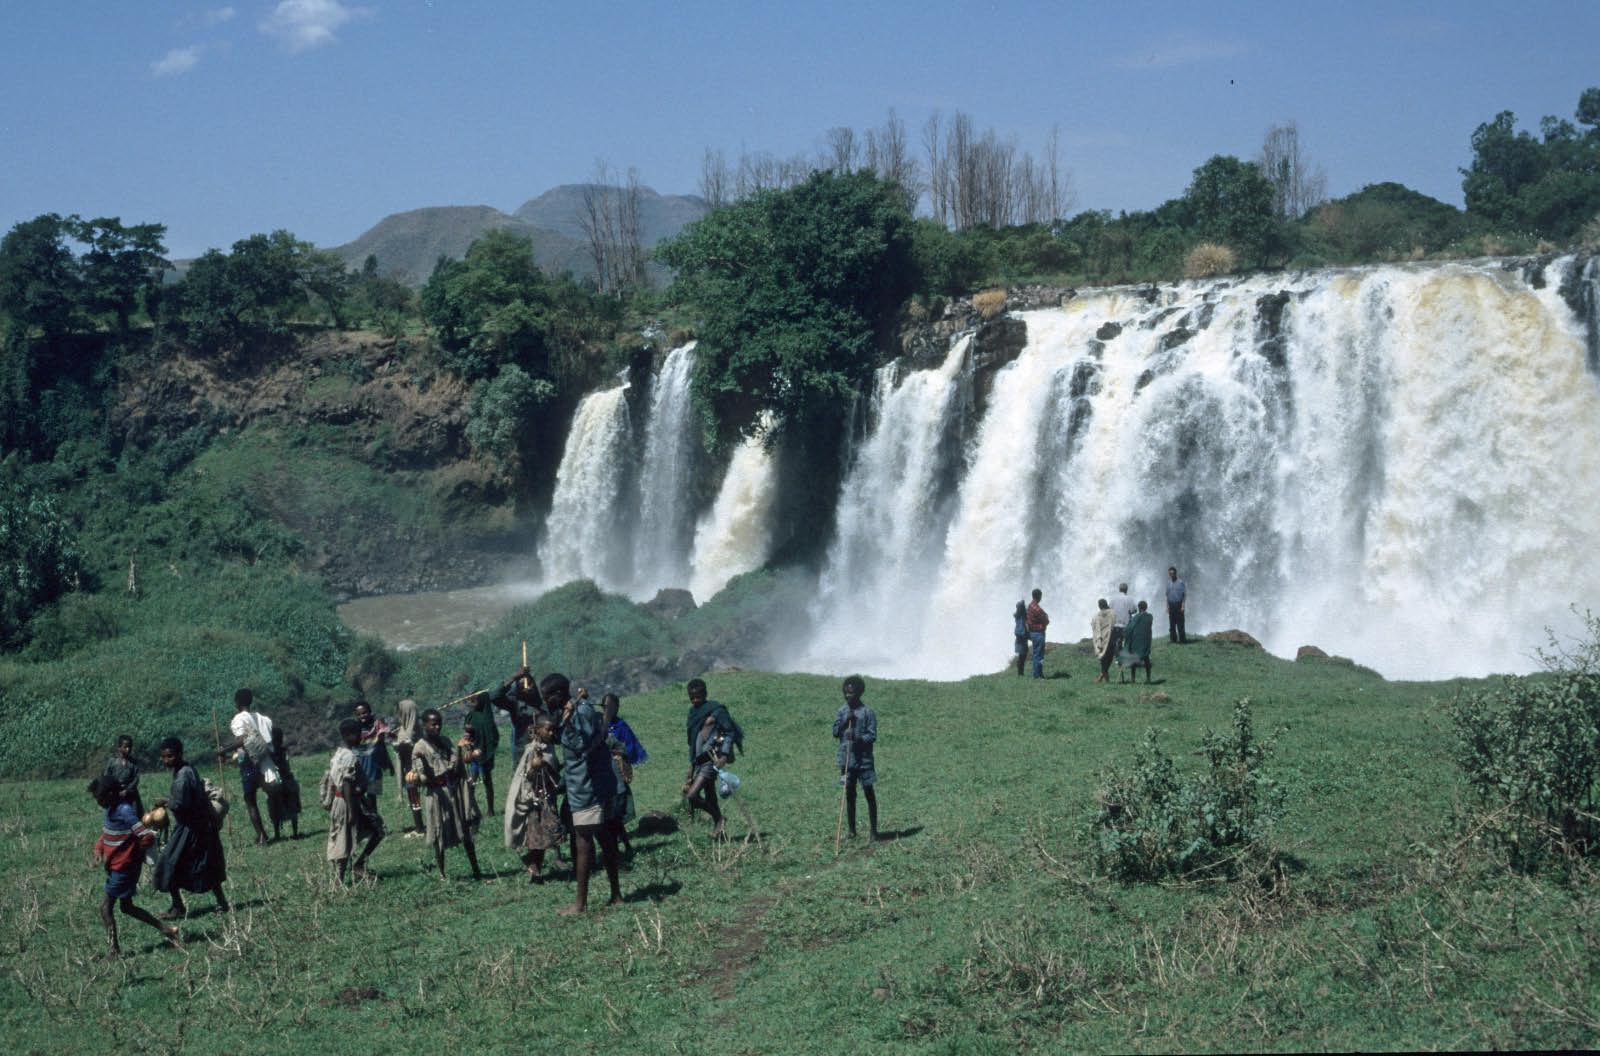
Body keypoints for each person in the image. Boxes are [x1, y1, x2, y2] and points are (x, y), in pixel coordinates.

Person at [546, 675, 623, 915]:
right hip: (586, 785)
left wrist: (567, 722)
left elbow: (582, 745)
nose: (545, 700)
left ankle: (580, 904)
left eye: (547, 695)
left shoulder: (581, 712)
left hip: (587, 787)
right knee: (605, 838)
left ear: (559, 694)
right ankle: (616, 895)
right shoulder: (573, 711)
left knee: (583, 842)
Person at [89, 775, 178, 956]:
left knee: (105, 907)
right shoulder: (111, 809)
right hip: (117, 867)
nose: (99, 803)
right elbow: (106, 833)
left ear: (112, 794)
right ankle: (167, 930)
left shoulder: (124, 811)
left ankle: (114, 951)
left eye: (101, 798)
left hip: (123, 868)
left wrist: (133, 856)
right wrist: (98, 850)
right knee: (127, 907)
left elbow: (146, 836)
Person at [152, 737, 229, 919]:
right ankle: (182, 905)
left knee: (168, 863)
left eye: (169, 756)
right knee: (204, 865)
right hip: (196, 826)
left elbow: (181, 805)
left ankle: (182, 907)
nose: (166, 760)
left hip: (192, 828)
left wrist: (164, 802)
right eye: (163, 757)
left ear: (179, 754)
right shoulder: (185, 770)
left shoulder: (183, 776)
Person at [409, 708, 483, 881]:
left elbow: (456, 766)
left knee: (465, 830)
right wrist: (423, 769)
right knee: (438, 832)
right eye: (433, 724)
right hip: (437, 794)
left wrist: (460, 750)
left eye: (439, 724)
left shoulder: (445, 740)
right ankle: (442, 874)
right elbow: (424, 778)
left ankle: (476, 869)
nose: (437, 727)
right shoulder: (419, 747)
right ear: (424, 725)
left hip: (454, 790)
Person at [215, 688, 280, 846]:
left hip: (249, 763)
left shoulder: (239, 719)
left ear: (237, 702)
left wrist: (223, 750)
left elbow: (241, 740)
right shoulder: (263, 719)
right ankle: (276, 831)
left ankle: (262, 836)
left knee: (250, 800)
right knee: (271, 795)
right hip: (266, 761)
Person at [504, 715, 565, 883]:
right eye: (548, 729)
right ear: (538, 730)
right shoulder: (532, 750)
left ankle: (535, 869)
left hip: (548, 795)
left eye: (553, 729)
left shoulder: (548, 747)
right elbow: (527, 775)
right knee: (538, 836)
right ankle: (533, 866)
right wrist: (536, 766)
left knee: (545, 835)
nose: (551, 733)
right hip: (536, 799)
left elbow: (552, 767)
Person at [325, 718, 384, 884]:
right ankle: (340, 879)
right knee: (345, 839)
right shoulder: (349, 756)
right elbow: (346, 784)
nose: (361, 737)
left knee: (371, 831)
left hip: (344, 801)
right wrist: (352, 810)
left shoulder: (339, 753)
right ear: (348, 735)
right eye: (358, 734)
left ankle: (353, 868)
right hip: (347, 802)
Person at [683, 678, 740, 838]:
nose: (695, 700)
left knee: (692, 796)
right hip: (699, 760)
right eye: (692, 697)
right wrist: (691, 767)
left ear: (705, 694)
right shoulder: (692, 713)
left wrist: (724, 756)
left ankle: (719, 818)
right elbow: (693, 743)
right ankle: (719, 830)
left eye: (698, 696)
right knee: (710, 796)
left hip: (711, 759)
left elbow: (729, 732)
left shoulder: (716, 710)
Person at [832, 674, 879, 841]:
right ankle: (852, 831)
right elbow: (835, 732)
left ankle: (874, 831)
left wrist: (859, 739)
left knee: (868, 792)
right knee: (849, 794)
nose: (847, 695)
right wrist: (845, 722)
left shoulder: (867, 712)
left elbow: (872, 736)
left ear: (859, 692)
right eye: (845, 692)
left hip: (864, 761)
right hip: (846, 760)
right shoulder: (842, 711)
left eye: (851, 693)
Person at [602, 693, 637, 857]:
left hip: (616, 781)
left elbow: (626, 748)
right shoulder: (599, 733)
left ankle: (618, 850)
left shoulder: (616, 730)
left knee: (614, 817)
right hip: (605, 784)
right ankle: (623, 847)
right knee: (613, 819)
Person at [492, 666, 545, 766]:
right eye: (522, 684)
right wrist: (514, 677)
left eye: (529, 683)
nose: (527, 687)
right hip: (523, 751)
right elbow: (495, 697)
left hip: (543, 750)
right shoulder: (514, 705)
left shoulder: (541, 704)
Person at [392, 698, 426, 836]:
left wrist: (400, 745)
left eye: (400, 712)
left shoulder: (409, 731)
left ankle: (419, 828)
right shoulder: (412, 727)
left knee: (414, 798)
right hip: (413, 769)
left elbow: (409, 747)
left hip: (413, 770)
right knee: (415, 798)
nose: (398, 715)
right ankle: (420, 826)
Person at [462, 691, 500, 815]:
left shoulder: (488, 718)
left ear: (483, 701)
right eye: (471, 701)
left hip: (485, 755)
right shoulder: (471, 716)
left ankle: (490, 809)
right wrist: (469, 741)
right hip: (473, 754)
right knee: (472, 782)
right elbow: (467, 733)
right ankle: (472, 809)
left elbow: (494, 737)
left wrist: (488, 749)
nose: (473, 704)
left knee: (487, 781)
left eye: (475, 701)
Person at [267, 725, 302, 840]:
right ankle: (294, 833)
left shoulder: (269, 753)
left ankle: (278, 834)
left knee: (276, 808)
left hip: (277, 782)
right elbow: (286, 765)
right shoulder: (283, 751)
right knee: (291, 808)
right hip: (287, 781)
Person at [102, 734, 144, 816]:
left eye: (130, 747)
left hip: (130, 792)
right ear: (119, 747)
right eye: (125, 747)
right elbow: (106, 776)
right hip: (115, 792)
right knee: (114, 814)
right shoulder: (112, 761)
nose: (128, 749)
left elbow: (136, 778)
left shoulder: (133, 762)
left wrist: (127, 790)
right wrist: (112, 790)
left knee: (134, 814)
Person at [1121, 600, 1155, 683]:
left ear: (1139, 608)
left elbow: (1130, 628)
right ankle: (1148, 678)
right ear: (1146, 607)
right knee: (1146, 658)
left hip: (1136, 641)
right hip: (1146, 641)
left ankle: (1133, 679)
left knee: (1133, 658)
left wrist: (1124, 634)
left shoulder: (1136, 617)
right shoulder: (1150, 617)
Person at [1026, 588, 1050, 679]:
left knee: (1036, 653)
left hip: (1032, 633)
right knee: (1039, 655)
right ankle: (1038, 675)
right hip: (1039, 633)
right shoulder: (1037, 609)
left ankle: (1037, 674)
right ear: (1039, 596)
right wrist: (1046, 618)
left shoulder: (1030, 606)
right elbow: (1046, 621)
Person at [1109, 583, 1136, 663]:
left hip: (1115, 623)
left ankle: (1118, 659)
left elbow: (1109, 609)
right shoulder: (1130, 599)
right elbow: (1134, 610)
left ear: (1119, 589)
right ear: (1126, 590)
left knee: (1117, 641)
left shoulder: (1113, 599)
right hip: (1126, 623)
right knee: (1127, 641)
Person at [1091, 598, 1115, 683]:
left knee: (1103, 657)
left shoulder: (1096, 616)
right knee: (1109, 657)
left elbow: (1093, 625)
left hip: (1101, 639)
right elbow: (1113, 623)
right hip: (1110, 638)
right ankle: (1104, 674)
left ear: (1099, 606)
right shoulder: (1112, 613)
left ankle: (1102, 674)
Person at [1166, 566, 1188, 644]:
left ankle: (1182, 639)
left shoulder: (1180, 582)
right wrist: (1167, 606)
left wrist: (1183, 605)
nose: (1171, 575)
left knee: (1180, 623)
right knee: (1172, 624)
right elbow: (1167, 595)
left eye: (1172, 573)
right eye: (1170, 573)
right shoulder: (1168, 583)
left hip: (1178, 605)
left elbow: (1184, 595)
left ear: (1175, 573)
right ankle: (1173, 639)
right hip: (1171, 605)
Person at [1012, 600, 1029, 677]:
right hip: (1022, 640)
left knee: (1021, 657)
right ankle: (1020, 673)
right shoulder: (1021, 618)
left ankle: (1020, 672)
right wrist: (1028, 636)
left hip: (1019, 640)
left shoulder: (1018, 616)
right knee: (1022, 657)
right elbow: (1021, 630)